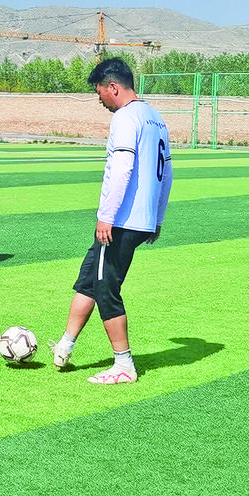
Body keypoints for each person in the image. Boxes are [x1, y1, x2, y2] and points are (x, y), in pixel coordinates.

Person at [50, 57, 173, 384]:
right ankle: (65, 345)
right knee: (90, 278)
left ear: (114, 87)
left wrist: (106, 216)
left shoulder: (125, 117)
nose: (100, 99)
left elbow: (122, 168)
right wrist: (157, 217)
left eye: (100, 92)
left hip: (122, 220)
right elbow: (167, 173)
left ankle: (124, 365)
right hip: (140, 219)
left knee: (106, 288)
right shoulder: (155, 118)